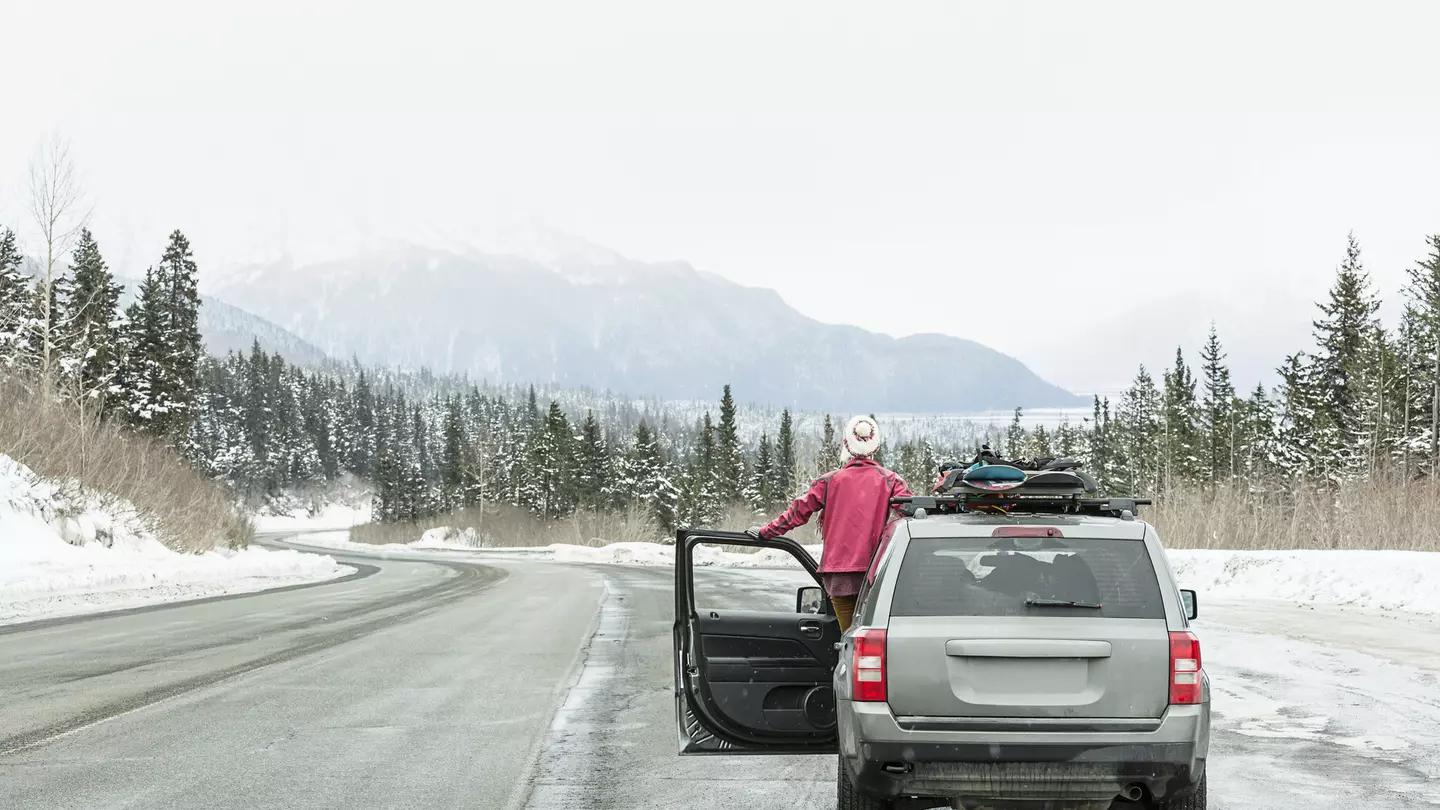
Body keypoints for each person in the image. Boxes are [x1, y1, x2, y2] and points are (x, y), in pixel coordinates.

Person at [747, 415, 913, 632]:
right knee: (872, 635)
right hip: (876, 572)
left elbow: (797, 512)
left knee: (848, 635)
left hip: (839, 573)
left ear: (846, 444)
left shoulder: (829, 481)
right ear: (876, 446)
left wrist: (765, 532)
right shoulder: (890, 480)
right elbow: (913, 512)